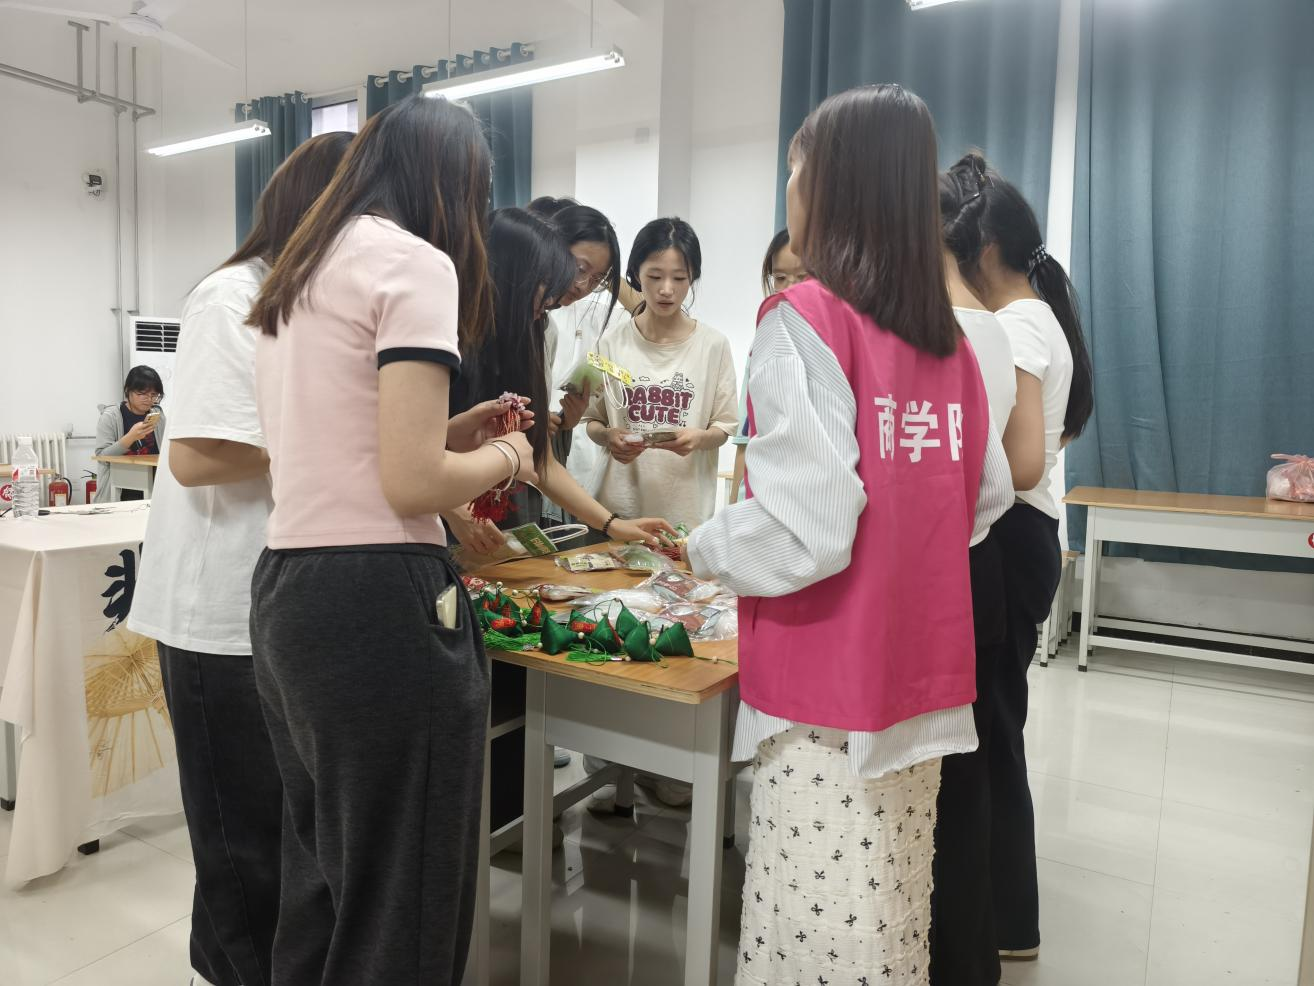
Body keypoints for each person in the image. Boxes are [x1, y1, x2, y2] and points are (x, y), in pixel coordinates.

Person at [685, 84, 1013, 986]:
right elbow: (987, 496)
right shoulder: (947, 341)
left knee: (814, 936)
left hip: (826, 696)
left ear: (831, 188)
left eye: (794, 170)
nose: (789, 188)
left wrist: (704, 548)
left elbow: (812, 529)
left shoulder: (805, 321)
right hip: (919, 686)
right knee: (889, 922)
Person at [246, 94, 537, 985]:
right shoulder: (414, 263)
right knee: (401, 898)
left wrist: (453, 435)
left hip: (289, 589)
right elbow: (410, 486)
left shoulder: (302, 267)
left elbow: (344, 450)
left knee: (325, 878)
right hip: (379, 600)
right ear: (453, 185)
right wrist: (508, 454)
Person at [126, 131, 354, 986]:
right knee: (241, 841)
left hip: (282, 606)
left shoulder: (314, 306)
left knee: (278, 838)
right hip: (217, 614)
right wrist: (352, 434)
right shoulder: (233, 298)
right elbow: (198, 457)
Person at [939, 150, 1094, 964]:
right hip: (1027, 538)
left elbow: (1024, 462)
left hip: (1011, 536)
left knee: (991, 737)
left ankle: (1003, 925)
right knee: (998, 731)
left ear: (984, 249)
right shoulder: (1033, 316)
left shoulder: (1017, 324)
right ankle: (1008, 922)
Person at [444, 207, 675, 553]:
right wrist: (450, 504)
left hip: (493, 501)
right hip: (432, 515)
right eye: (577, 269)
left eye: (597, 279)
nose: (579, 286)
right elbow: (401, 446)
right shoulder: (450, 325)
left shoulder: (535, 328)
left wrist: (613, 524)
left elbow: (541, 457)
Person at [927, 166, 1020, 986]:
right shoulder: (987, 327)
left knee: (950, 781)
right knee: (966, 775)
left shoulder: (950, 332)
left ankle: (954, 960)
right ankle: (967, 958)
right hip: (975, 562)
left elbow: (973, 483)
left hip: (946, 570)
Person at [582, 217, 739, 531]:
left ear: (692, 278)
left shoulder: (714, 346)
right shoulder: (609, 343)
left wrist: (700, 439)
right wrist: (609, 436)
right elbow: (591, 421)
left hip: (685, 516)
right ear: (636, 274)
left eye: (679, 278)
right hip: (616, 514)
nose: (666, 290)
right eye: (654, 276)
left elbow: (723, 427)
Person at [729, 228, 809, 504]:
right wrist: (733, 507)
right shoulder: (762, 342)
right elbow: (746, 437)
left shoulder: (839, 344)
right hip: (760, 498)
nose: (789, 288)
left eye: (803, 277)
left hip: (810, 500)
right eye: (780, 278)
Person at [94, 365, 166, 501]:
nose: (148, 399)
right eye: (142, 393)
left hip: (154, 491)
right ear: (128, 391)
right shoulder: (110, 416)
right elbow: (102, 456)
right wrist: (131, 437)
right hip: (121, 492)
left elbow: (164, 452)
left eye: (153, 395)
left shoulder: (158, 415)